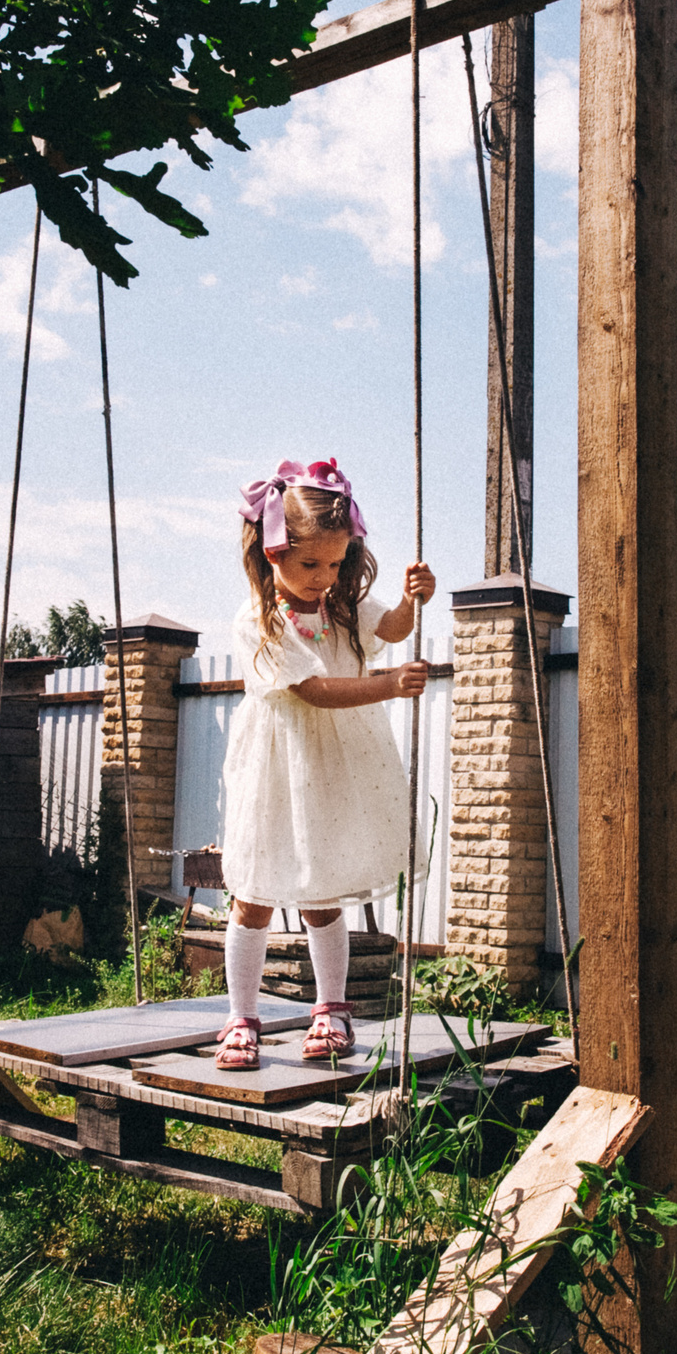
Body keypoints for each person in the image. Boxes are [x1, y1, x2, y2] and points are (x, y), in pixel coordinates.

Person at [217, 458, 435, 1069]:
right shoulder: (259, 622)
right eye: (311, 563)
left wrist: (413, 599)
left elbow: (389, 627)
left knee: (323, 889)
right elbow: (312, 691)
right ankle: (241, 1017)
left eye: (336, 563)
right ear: (273, 554)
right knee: (255, 893)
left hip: (331, 766)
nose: (324, 576)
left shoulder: (342, 608)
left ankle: (332, 1010)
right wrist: (389, 687)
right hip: (276, 768)